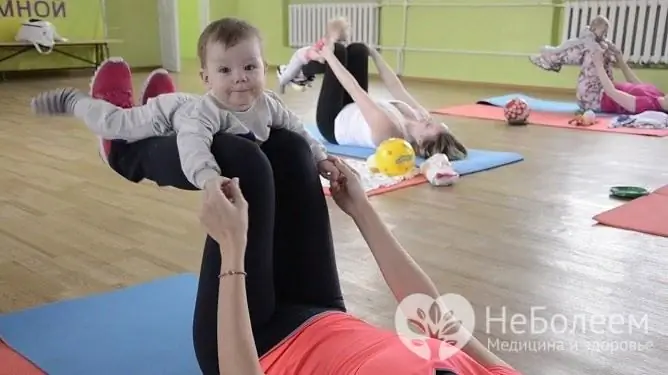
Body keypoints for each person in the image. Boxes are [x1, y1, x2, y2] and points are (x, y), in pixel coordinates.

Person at [199, 156, 521, 375]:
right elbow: (432, 314)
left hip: (257, 348)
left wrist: (232, 248)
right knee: (293, 152)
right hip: (325, 311)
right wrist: (361, 209)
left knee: (246, 168)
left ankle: (149, 150)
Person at [30, 17, 342, 191]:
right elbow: (193, 149)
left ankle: (147, 99)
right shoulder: (206, 113)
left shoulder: (269, 104)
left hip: (186, 115)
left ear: (264, 67)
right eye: (224, 70)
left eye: (250, 67)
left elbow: (298, 130)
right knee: (117, 124)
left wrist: (320, 158)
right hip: (170, 112)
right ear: (206, 78)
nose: (240, 78)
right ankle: (74, 101)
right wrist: (208, 180)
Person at [314, 40, 468, 161]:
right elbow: (396, 86)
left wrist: (328, 56)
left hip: (334, 122)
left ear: (421, 142)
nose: (428, 119)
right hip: (353, 107)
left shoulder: (390, 132)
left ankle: (304, 72)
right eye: (435, 122)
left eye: (429, 126)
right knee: (359, 50)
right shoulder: (419, 117)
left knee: (337, 51)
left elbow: (354, 89)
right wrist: (374, 53)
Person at [276, 16, 350, 93]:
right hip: (301, 56)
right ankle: (282, 82)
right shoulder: (324, 42)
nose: (341, 44)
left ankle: (288, 72)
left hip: (309, 61)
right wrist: (318, 57)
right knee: (290, 74)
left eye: (343, 40)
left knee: (301, 76)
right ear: (331, 34)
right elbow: (310, 52)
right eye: (338, 40)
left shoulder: (338, 44)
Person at [591, 46, 668, 114]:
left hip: (597, 97)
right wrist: (620, 60)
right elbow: (636, 85)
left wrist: (599, 64)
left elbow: (612, 93)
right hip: (603, 86)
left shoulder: (647, 105)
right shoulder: (658, 95)